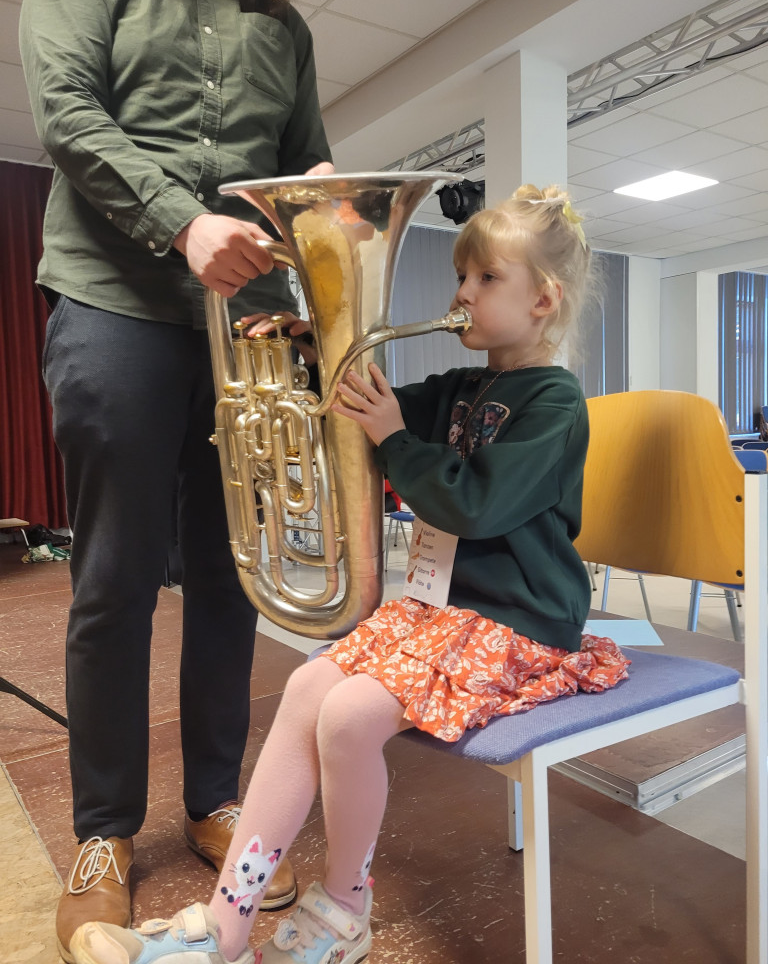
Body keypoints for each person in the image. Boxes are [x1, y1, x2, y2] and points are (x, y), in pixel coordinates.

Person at [67, 186, 631, 964]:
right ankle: (226, 930)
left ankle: (343, 912)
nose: (462, 294)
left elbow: (475, 505)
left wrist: (396, 438)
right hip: (446, 615)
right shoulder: (464, 389)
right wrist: (316, 353)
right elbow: (363, 403)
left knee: (350, 716)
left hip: (521, 624)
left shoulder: (557, 403)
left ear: (544, 299)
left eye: (485, 279)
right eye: (460, 277)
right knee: (307, 688)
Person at [19, 0, 333, 959]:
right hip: (114, 297)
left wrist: (319, 211)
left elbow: (306, 163)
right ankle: (103, 833)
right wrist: (183, 223)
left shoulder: (282, 23)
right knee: (112, 577)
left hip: (245, 319)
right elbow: (67, 111)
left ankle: (216, 800)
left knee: (230, 573)